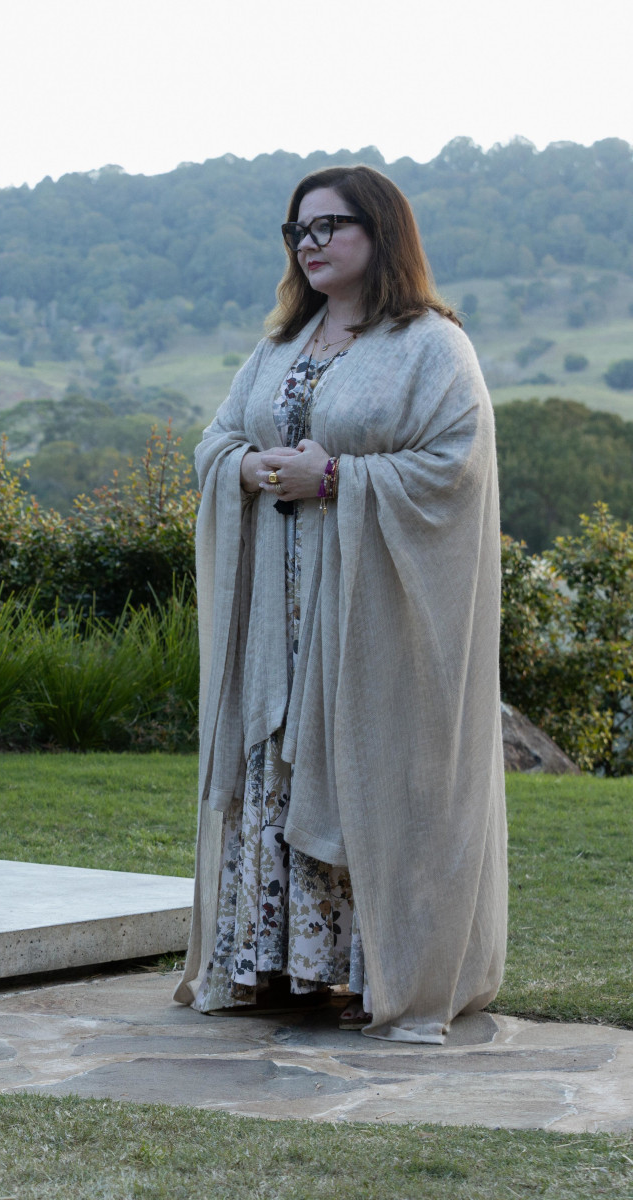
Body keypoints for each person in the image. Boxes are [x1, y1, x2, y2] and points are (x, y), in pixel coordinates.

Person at [176, 164, 507, 1044]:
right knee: (273, 772)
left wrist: (337, 479)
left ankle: (380, 973)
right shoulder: (285, 343)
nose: (311, 245)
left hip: (373, 616)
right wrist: (246, 467)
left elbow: (455, 468)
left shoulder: (431, 345)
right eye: (299, 232)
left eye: (330, 227)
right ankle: (280, 965)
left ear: (381, 232)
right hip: (274, 621)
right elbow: (217, 438)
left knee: (375, 769)